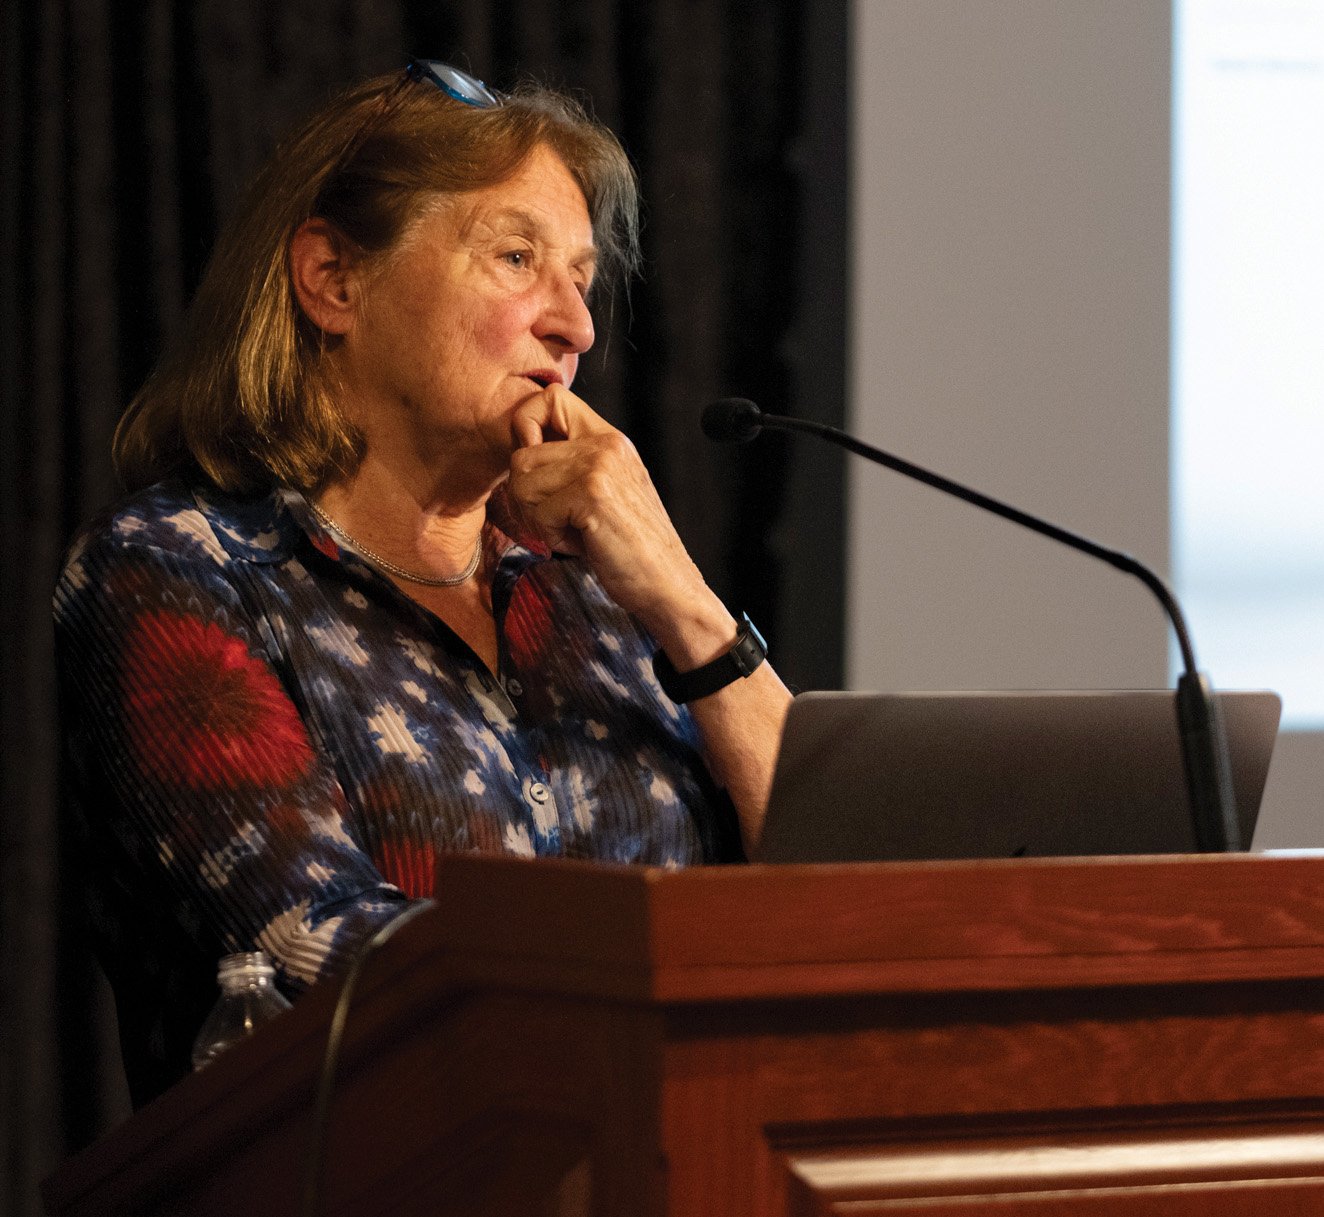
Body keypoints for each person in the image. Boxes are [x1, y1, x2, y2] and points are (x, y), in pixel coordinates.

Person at [53, 60, 791, 1106]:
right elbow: (320, 955)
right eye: (517, 257)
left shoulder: (597, 598)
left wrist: (684, 601)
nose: (573, 326)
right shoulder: (179, 570)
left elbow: (837, 898)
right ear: (334, 280)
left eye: (581, 278)